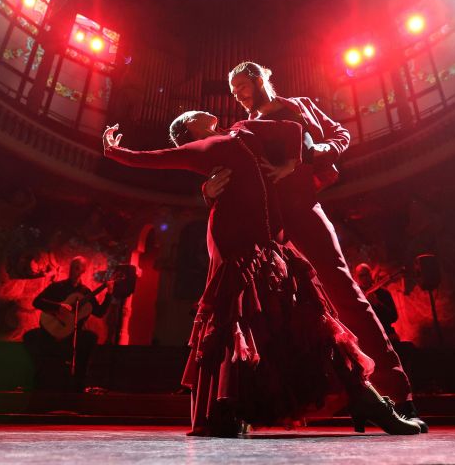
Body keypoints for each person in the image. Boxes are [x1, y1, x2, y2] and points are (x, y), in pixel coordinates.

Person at [103, 114, 420, 437]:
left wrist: (291, 164)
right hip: (235, 242)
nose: (200, 110)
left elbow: (291, 128)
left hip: (267, 242)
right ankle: (231, 409)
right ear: (189, 130)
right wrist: (115, 151)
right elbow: (156, 159)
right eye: (191, 115)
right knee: (242, 320)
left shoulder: (243, 131)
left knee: (306, 322)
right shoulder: (204, 146)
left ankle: (369, 402)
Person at [203, 61, 427, 431]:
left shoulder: (302, 106)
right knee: (262, 306)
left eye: (241, 85)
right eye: (233, 90)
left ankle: (397, 393)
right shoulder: (241, 127)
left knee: (344, 291)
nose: (236, 94)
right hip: (263, 221)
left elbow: (339, 137)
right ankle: (270, 402)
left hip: (303, 209)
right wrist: (206, 190)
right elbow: (228, 167)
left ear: (259, 78)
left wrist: (304, 158)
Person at [23, 256, 113, 392]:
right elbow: (36, 302)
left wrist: (109, 294)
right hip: (52, 330)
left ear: (83, 271)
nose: (73, 271)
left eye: (77, 268)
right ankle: (38, 382)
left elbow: (99, 312)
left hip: (72, 333)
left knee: (91, 338)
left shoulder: (85, 292)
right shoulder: (57, 287)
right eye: (72, 267)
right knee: (32, 338)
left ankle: (80, 381)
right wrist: (58, 306)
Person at [354, 263, 402, 345]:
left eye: (367, 274)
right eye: (361, 276)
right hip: (367, 339)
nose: (365, 278)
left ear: (370, 274)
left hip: (387, 335)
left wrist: (377, 303)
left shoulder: (383, 292)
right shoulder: (355, 296)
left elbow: (394, 316)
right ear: (356, 278)